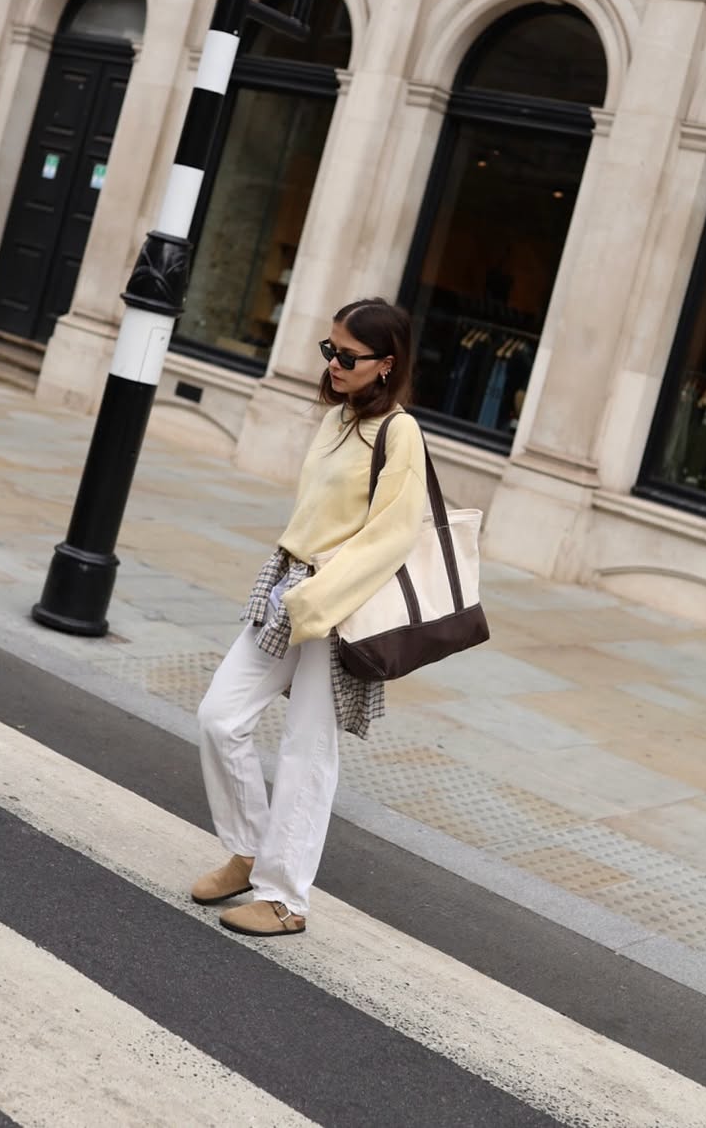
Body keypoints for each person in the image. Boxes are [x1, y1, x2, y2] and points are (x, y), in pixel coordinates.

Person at [192, 298, 427, 936]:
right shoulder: (336, 419)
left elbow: (392, 535)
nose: (333, 364)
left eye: (347, 356)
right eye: (329, 350)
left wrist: (316, 598)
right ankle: (246, 850)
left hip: (337, 605)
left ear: (387, 363)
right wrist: (290, 590)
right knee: (220, 716)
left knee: (307, 748)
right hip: (289, 587)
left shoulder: (399, 433)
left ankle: (285, 897)